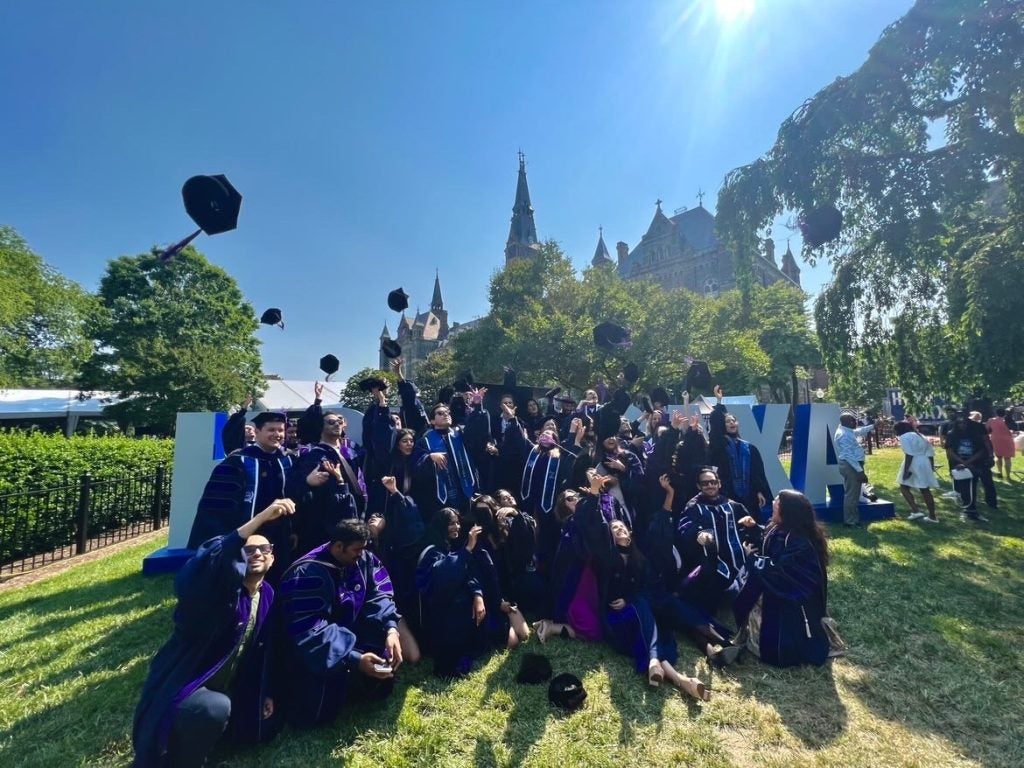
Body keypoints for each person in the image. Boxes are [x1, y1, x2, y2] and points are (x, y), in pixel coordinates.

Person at [132, 500, 294, 767]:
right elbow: (210, 564)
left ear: (273, 557)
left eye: (264, 549)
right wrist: (260, 518)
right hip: (191, 681)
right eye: (248, 550)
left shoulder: (268, 596)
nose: (257, 554)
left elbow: (264, 653)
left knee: (265, 724)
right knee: (214, 709)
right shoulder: (218, 595)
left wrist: (265, 691)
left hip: (232, 684)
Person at [277, 520, 404, 727]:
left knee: (381, 672)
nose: (361, 555)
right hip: (315, 648)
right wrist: (354, 658)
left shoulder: (363, 558)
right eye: (356, 550)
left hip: (350, 633)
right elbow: (309, 630)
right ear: (338, 546)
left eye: (363, 549)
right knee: (317, 714)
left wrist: (391, 628)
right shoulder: (307, 574)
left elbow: (378, 595)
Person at [602, 519, 710, 701]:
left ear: (630, 532)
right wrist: (627, 600)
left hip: (639, 612)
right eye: (614, 527)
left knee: (650, 619)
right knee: (644, 613)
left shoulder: (640, 559)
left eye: (622, 526)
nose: (619, 528)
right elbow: (605, 591)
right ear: (609, 535)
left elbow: (646, 589)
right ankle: (676, 676)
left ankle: (678, 678)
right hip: (617, 618)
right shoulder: (607, 557)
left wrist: (628, 599)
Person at [187, 411, 297, 583]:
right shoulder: (238, 461)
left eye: (281, 430)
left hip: (280, 535)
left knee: (276, 578)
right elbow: (216, 508)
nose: (277, 435)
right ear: (257, 431)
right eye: (271, 430)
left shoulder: (288, 460)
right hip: (244, 532)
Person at [734, 490, 831, 668]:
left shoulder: (800, 542)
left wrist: (752, 559)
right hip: (777, 594)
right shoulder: (779, 529)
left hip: (792, 605)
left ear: (788, 512)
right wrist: (754, 528)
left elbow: (781, 572)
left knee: (777, 647)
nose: (773, 507)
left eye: (776, 506)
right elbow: (771, 548)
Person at [415, 508, 487, 678]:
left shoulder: (450, 546)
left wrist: (478, 594)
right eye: (451, 523)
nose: (457, 527)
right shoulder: (431, 550)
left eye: (457, 523)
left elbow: (468, 572)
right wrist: (468, 548)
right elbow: (445, 576)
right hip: (439, 615)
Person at [676, 468, 755, 615]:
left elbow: (749, 528)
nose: (710, 486)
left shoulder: (733, 505)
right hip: (712, 561)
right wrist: (698, 534)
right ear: (699, 486)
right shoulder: (693, 507)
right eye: (705, 483)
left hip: (738, 558)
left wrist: (750, 527)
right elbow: (684, 528)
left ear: (719, 484)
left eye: (713, 482)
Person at [289, 411, 362, 555]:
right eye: (330, 422)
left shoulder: (350, 453)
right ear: (320, 428)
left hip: (352, 516)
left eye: (339, 421)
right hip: (324, 526)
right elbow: (301, 494)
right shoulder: (313, 456)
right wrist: (307, 482)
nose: (337, 424)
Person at [709, 385, 772, 520]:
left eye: (734, 420)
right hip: (728, 493)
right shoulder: (720, 444)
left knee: (751, 523)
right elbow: (714, 426)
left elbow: (758, 473)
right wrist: (719, 402)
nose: (732, 423)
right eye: (727, 421)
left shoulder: (749, 448)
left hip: (749, 494)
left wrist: (760, 491)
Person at [416, 402, 481, 520]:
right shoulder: (425, 440)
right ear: (432, 421)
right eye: (440, 413)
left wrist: (477, 406)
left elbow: (478, 430)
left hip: (468, 492)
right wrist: (429, 457)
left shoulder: (460, 433)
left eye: (448, 413)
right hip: (442, 497)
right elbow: (415, 462)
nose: (446, 415)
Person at [944, 411, 992, 523]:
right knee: (963, 487)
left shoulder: (975, 434)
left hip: (974, 463)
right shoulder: (952, 434)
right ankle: (968, 509)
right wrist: (961, 462)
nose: (963, 426)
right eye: (960, 424)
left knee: (973, 485)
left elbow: (981, 450)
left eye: (965, 424)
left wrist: (968, 463)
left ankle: (972, 509)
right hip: (959, 463)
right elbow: (949, 450)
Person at [833, 413, 874, 528]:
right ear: (848, 422)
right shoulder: (844, 435)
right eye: (854, 421)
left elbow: (858, 431)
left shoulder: (846, 430)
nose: (856, 423)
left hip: (852, 464)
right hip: (851, 465)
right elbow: (848, 455)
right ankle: (850, 521)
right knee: (852, 494)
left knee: (853, 494)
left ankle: (853, 519)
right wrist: (860, 471)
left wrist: (873, 426)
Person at [893, 420, 939, 523]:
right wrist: (930, 467)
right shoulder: (920, 435)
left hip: (914, 462)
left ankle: (916, 510)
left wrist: (906, 471)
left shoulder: (904, 437)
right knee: (925, 489)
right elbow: (930, 453)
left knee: (904, 487)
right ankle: (932, 515)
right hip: (925, 461)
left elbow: (909, 454)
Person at [987, 408, 1015, 480]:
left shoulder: (991, 420)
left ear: (996, 413)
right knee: (1007, 458)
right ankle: (1008, 476)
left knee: (998, 457)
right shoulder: (1008, 420)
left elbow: (987, 429)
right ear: (1004, 414)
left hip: (995, 439)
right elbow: (1014, 430)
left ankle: (1000, 473)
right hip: (1007, 440)